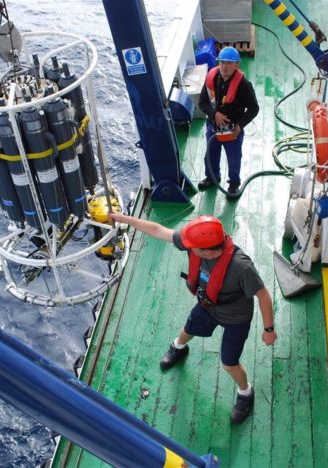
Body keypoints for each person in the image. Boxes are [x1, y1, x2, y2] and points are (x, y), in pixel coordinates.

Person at [110, 212, 277, 424]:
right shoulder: (198, 243)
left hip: (236, 318)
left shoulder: (241, 266)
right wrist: (125, 219)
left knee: (229, 363)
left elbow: (263, 294)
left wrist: (269, 329)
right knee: (188, 329)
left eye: (192, 247)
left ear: (207, 252)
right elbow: (158, 230)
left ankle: (246, 392)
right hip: (207, 305)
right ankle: (178, 347)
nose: (187, 246)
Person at [198, 46, 259, 195]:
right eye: (222, 63)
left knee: (234, 157)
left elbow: (253, 108)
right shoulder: (211, 79)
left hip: (233, 129)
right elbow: (202, 103)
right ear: (218, 63)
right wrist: (215, 115)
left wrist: (239, 125)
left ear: (236, 65)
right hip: (213, 125)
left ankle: (233, 184)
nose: (225, 67)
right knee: (211, 153)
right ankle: (212, 177)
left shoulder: (244, 86)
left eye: (229, 63)